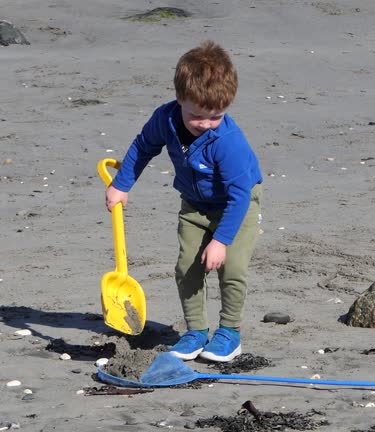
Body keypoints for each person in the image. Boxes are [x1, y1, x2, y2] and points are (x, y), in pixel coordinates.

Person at [105, 40, 263, 362]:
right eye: (197, 116)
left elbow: (239, 196)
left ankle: (229, 333)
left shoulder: (228, 143)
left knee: (230, 267)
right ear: (180, 99)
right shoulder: (165, 119)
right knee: (187, 267)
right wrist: (122, 185)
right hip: (194, 205)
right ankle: (195, 332)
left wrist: (220, 241)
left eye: (215, 116)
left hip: (237, 207)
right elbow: (143, 146)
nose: (205, 124)